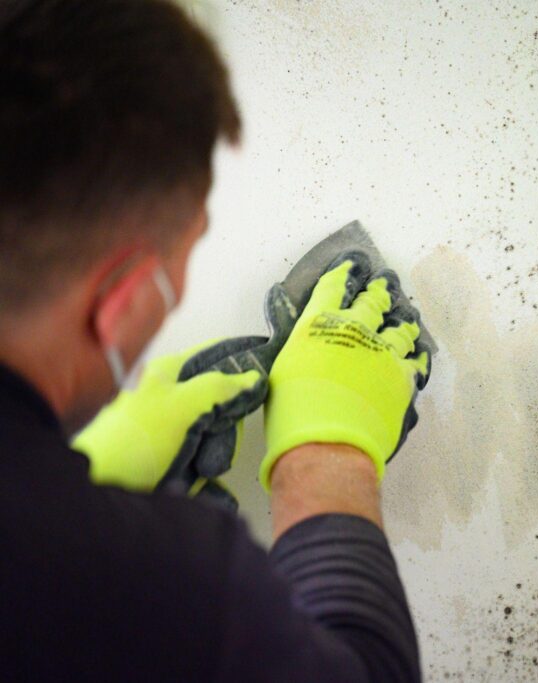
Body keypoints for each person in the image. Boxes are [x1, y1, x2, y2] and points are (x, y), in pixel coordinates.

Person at [0, 1, 428, 680]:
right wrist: (323, 457)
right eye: (188, 251)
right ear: (126, 298)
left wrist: (84, 473)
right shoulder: (151, 582)